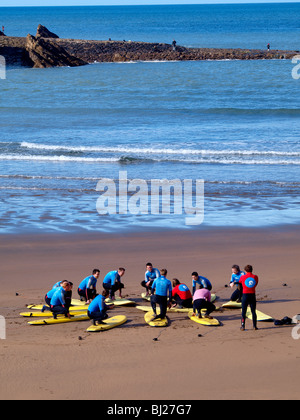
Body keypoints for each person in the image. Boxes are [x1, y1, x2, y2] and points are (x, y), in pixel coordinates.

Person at [239, 265, 259, 331]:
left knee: (243, 311)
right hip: (252, 295)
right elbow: (255, 284)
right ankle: (254, 326)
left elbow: (240, 282)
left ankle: (243, 326)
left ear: (245, 270)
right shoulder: (255, 277)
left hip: (245, 295)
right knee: (253, 311)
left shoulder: (243, 277)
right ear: (252, 270)